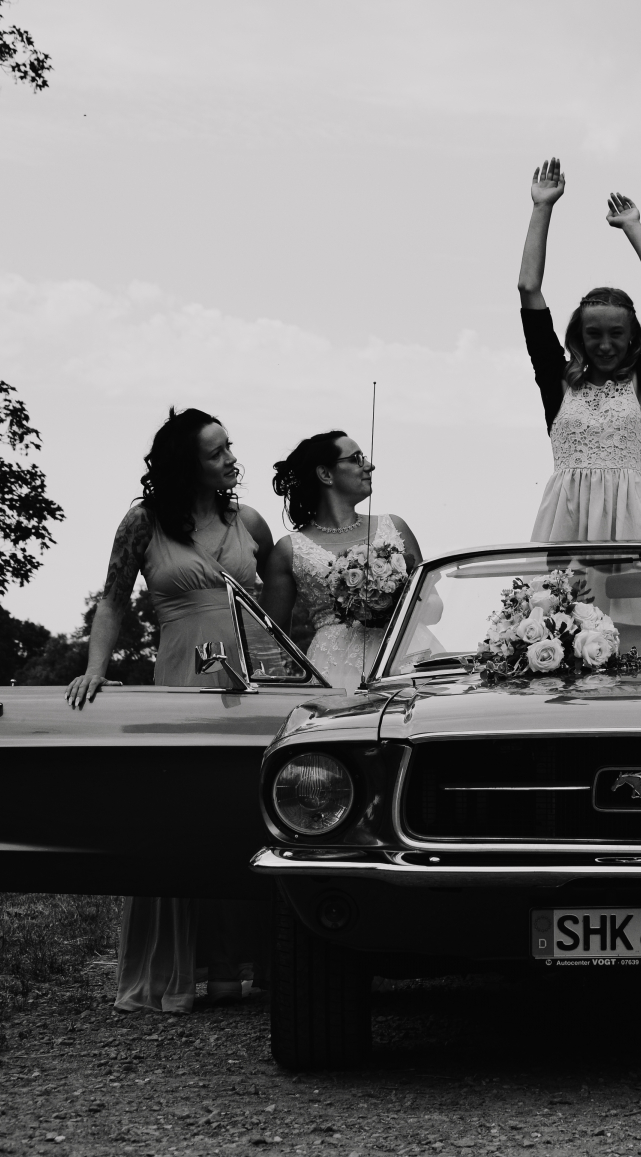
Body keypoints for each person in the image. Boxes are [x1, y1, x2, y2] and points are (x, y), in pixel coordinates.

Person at [65, 408, 278, 1013]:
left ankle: (244, 966)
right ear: (186, 465)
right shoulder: (143, 522)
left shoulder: (249, 521)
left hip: (253, 684)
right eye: (216, 452)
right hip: (183, 678)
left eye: (229, 447)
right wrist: (95, 668)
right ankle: (179, 969)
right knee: (187, 817)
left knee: (250, 814)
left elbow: (278, 604)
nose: (231, 459)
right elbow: (113, 600)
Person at [517, 157, 641, 544]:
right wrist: (542, 207)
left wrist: (633, 226)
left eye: (616, 334)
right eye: (594, 334)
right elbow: (528, 289)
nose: (605, 345)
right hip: (564, 527)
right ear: (579, 336)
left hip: (630, 528)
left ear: (632, 337)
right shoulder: (558, 382)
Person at [263, 431, 423, 689]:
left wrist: (389, 596)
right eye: (356, 458)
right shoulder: (289, 550)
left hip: (399, 659)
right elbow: (269, 638)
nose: (369, 466)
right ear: (325, 474)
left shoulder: (394, 526)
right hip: (332, 669)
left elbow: (434, 608)